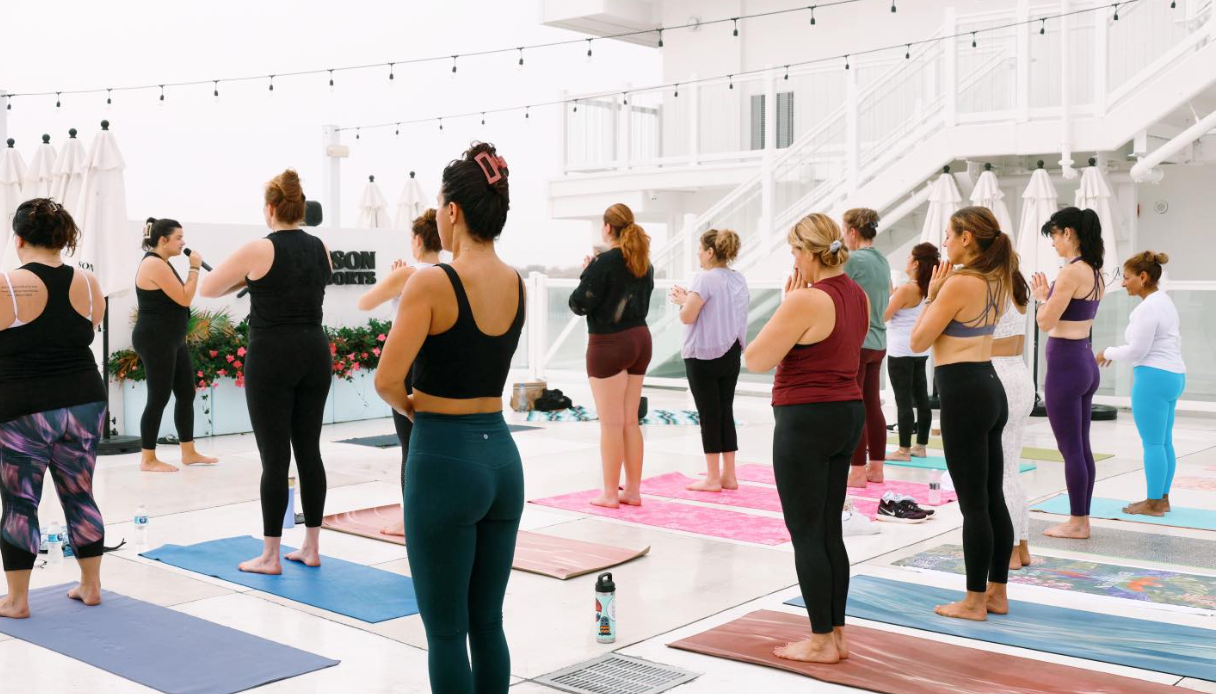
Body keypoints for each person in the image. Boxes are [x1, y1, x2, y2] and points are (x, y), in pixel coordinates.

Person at [374, 142, 524, 694]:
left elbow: (388, 380)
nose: (437, 212)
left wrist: (423, 416)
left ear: (453, 212)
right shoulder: (519, 283)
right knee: (488, 623)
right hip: (503, 461)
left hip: (444, 457)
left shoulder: (432, 282)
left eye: (439, 203)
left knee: (445, 633)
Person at [745, 213, 867, 664]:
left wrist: (787, 303)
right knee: (829, 530)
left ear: (811, 252)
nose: (793, 259)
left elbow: (756, 359)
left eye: (794, 251)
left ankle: (819, 642)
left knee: (807, 534)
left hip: (807, 419)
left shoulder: (807, 300)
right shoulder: (857, 294)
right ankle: (835, 634)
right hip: (846, 414)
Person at [200, 170, 333, 574]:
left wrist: (250, 280)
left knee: (275, 459)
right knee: (309, 451)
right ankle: (311, 547)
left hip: (273, 354)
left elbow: (208, 288)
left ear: (271, 208)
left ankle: (271, 555)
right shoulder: (320, 246)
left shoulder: (259, 249)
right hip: (314, 349)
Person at [0, 199, 108, 618]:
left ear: (19, 239)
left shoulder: (8, 284)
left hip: (23, 408)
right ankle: (91, 587)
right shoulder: (88, 282)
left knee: (20, 502)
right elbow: (85, 327)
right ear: (61, 239)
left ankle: (17, 601)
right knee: (80, 494)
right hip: (84, 400)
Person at [910, 206, 1016, 621]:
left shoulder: (958, 283)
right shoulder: (998, 278)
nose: (946, 244)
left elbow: (919, 340)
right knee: (992, 499)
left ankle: (973, 601)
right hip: (990, 387)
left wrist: (933, 295)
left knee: (973, 505)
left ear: (968, 237)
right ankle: (997, 593)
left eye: (949, 236)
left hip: (963, 393)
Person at [357, 209, 441, 536]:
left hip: (409, 365)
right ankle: (436, 513)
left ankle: (411, 520)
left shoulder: (409, 274)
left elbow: (365, 303)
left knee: (410, 446)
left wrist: (394, 281)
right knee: (435, 444)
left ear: (417, 240)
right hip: (439, 366)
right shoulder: (449, 272)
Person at [569, 203, 654, 509]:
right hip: (641, 340)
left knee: (611, 424)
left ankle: (609, 493)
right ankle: (632, 490)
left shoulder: (603, 262)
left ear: (607, 228)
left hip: (609, 343)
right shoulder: (643, 262)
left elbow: (579, 304)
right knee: (631, 421)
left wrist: (587, 272)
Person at [1030, 207, 1104, 540]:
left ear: (1068, 233)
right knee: (1082, 446)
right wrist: (1049, 298)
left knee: (1070, 449)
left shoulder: (1072, 271)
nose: (1054, 244)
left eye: (1055, 236)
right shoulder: (1095, 271)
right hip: (1084, 361)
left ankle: (1077, 522)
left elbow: (1045, 321)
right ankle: (1082, 518)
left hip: (1066, 364)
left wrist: (1039, 298)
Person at [1096, 251, 1184, 517]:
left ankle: (1154, 502)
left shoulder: (1147, 308)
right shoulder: (1164, 301)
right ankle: (1163, 499)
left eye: (1126, 277)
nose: (1123, 283)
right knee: (1164, 442)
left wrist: (1106, 352)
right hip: (1174, 376)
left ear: (1143, 277)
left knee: (1153, 444)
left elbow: (1137, 351)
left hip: (1153, 379)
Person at [132, 217, 218, 472]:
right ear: (163, 240)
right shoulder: (153, 264)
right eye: (179, 237)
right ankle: (148, 459)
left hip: (172, 338)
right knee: (158, 397)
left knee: (186, 392)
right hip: (155, 338)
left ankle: (188, 452)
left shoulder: (163, 263)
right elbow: (184, 297)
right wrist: (194, 268)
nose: (183, 242)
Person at [669, 229, 749, 492]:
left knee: (708, 414)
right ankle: (729, 475)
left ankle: (712, 477)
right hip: (731, 352)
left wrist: (683, 302)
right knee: (726, 411)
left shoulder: (704, 279)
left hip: (702, 354)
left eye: (700, 250)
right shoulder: (738, 279)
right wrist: (688, 299)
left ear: (711, 252)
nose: (698, 255)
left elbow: (687, 317)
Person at [842, 208, 890, 487]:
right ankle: (877, 469)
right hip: (879, 342)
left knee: (855, 407)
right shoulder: (882, 260)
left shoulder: (853, 260)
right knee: (872, 405)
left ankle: (857, 472)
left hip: (858, 343)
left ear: (852, 232)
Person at [991, 270, 1035, 570]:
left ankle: (1008, 551)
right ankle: (1021, 545)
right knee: (1011, 469)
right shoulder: (1017, 283)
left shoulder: (992, 285)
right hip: (1019, 373)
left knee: (1001, 473)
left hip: (1000, 376)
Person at [884, 242, 938, 461]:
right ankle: (921, 446)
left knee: (903, 400)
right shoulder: (928, 288)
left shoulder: (907, 289)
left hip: (899, 351)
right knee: (920, 399)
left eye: (908, 258)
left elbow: (884, 315)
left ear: (915, 263)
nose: (906, 261)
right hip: (918, 349)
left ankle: (904, 449)